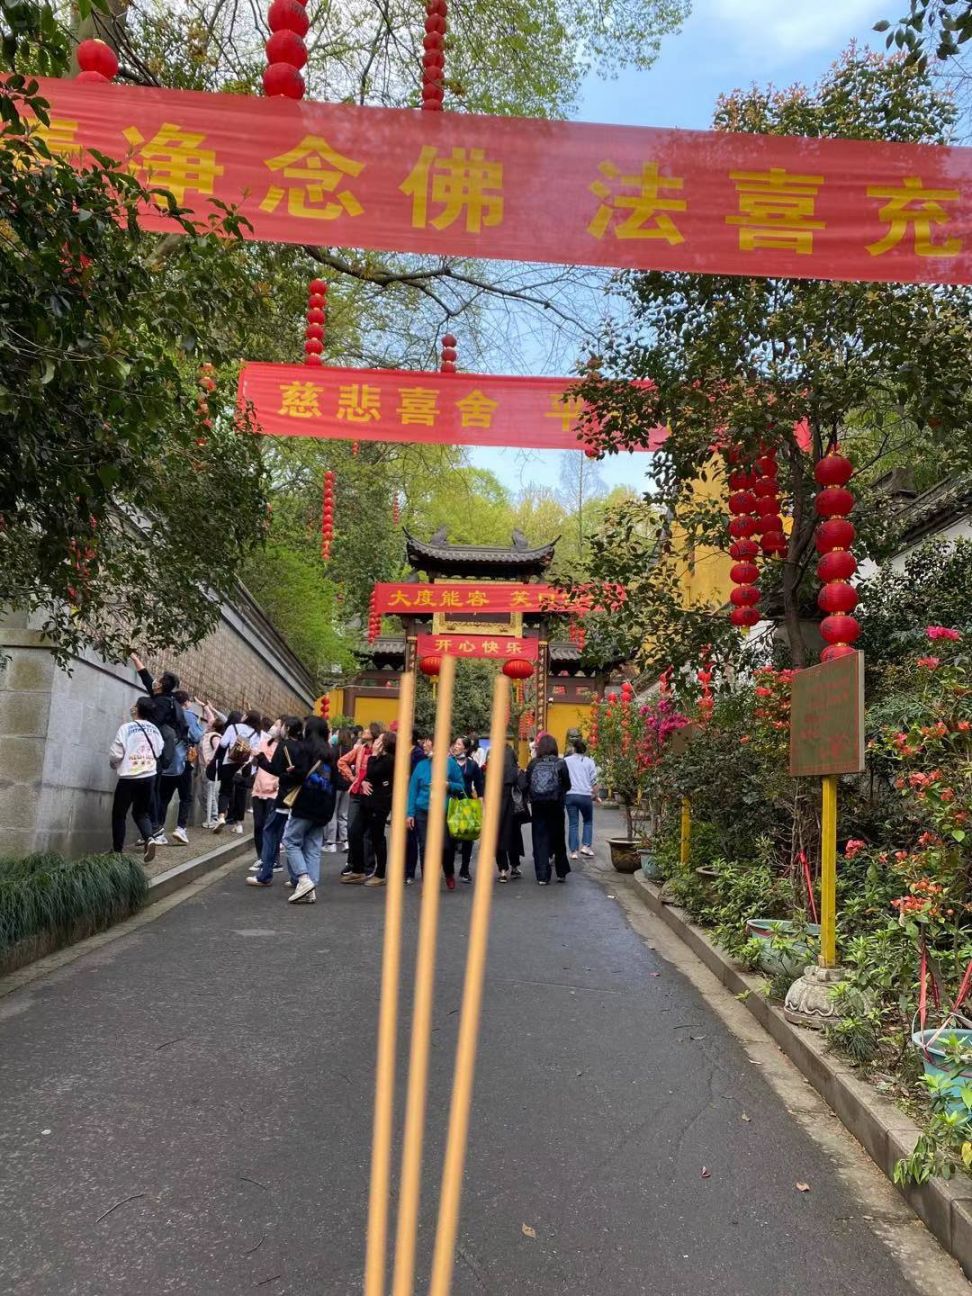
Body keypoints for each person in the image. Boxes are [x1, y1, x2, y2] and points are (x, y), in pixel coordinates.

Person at [130, 653, 188, 845]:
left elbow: (154, 724)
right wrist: (135, 658)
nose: (155, 681)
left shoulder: (163, 703)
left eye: (159, 680)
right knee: (152, 790)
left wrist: (139, 719)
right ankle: (152, 830)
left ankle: (155, 829)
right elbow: (146, 678)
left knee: (153, 790)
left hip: (158, 753)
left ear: (162, 685)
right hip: (157, 752)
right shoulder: (160, 696)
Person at [280, 716, 336, 904]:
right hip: (325, 804)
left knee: (290, 840)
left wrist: (290, 772)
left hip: (306, 803)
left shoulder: (305, 748)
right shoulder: (330, 751)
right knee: (313, 845)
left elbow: (301, 774)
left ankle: (303, 879)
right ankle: (310, 887)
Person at [247, 716, 305, 888]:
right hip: (299, 798)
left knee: (270, 832)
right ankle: (296, 877)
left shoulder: (284, 746)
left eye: (280, 725)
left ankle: (265, 874)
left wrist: (261, 757)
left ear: (286, 729)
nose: (277, 728)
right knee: (294, 838)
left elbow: (275, 770)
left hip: (284, 798)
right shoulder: (303, 746)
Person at [109, 697, 163, 863]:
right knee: (141, 812)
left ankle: (118, 851)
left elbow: (116, 752)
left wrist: (115, 764)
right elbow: (159, 750)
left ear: (137, 709)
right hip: (149, 776)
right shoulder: (154, 729)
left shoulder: (127, 727)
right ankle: (149, 838)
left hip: (129, 776)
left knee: (119, 814)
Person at [406, 739, 466, 890]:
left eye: (429, 745)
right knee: (425, 846)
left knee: (445, 847)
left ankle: (449, 872)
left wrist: (448, 785)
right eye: (426, 745)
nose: (426, 748)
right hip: (423, 811)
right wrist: (410, 813)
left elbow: (461, 787)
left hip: (443, 812)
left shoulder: (450, 765)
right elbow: (413, 790)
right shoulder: (421, 766)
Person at [153, 690, 205, 845]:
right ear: (186, 702)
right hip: (183, 763)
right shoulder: (188, 715)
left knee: (163, 798)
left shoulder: (165, 714)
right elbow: (196, 736)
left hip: (166, 762)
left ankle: (157, 831)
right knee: (186, 797)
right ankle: (181, 828)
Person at [338, 722, 382, 881]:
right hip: (356, 793)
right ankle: (354, 863)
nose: (364, 731)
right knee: (352, 829)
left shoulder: (380, 752)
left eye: (368, 729)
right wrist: (353, 778)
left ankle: (368, 866)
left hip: (371, 794)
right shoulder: (360, 749)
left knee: (368, 834)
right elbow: (341, 762)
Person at [526, 734, 571, 884]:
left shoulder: (533, 764)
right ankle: (561, 872)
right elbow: (567, 785)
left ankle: (542, 876)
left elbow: (527, 784)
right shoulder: (561, 763)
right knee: (558, 838)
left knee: (540, 839)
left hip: (538, 806)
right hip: (556, 805)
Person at [354, 732, 397, 888]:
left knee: (377, 836)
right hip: (367, 801)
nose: (376, 741)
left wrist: (372, 755)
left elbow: (373, 772)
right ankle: (357, 869)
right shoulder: (378, 758)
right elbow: (368, 776)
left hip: (379, 804)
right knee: (355, 831)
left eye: (380, 739)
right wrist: (365, 781)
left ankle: (380, 873)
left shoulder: (389, 760)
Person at [213, 709, 261, 834]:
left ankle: (221, 817)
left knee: (225, 791)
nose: (242, 716)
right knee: (241, 793)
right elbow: (255, 750)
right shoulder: (256, 733)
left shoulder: (232, 727)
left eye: (245, 714)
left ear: (247, 717)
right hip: (245, 765)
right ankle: (239, 824)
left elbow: (223, 744)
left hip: (229, 762)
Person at [445, 736, 484, 883]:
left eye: (459, 744)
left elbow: (479, 784)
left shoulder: (472, 765)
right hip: (450, 802)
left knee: (468, 836)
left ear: (466, 749)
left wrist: (481, 801)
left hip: (466, 803)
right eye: (454, 744)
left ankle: (465, 870)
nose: (455, 746)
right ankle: (449, 871)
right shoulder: (448, 762)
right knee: (450, 838)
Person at [249, 719, 282, 872]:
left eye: (278, 725)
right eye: (274, 724)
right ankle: (261, 857)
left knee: (271, 827)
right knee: (258, 825)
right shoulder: (264, 743)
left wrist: (279, 782)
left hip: (274, 791)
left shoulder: (284, 747)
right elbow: (256, 763)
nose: (274, 727)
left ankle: (274, 859)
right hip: (258, 788)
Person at [491, 739, 523, 883]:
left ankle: (503, 870)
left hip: (496, 801)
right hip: (512, 802)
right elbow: (522, 783)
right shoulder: (512, 756)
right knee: (514, 835)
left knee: (499, 835)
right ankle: (515, 866)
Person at [564, 737, 600, 861]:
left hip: (570, 795)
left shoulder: (566, 761)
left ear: (573, 748)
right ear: (584, 750)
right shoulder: (590, 762)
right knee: (588, 821)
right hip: (585, 796)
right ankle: (586, 846)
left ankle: (573, 851)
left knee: (573, 823)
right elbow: (595, 782)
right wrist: (595, 796)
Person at [323, 727, 354, 854]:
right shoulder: (352, 751)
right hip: (348, 785)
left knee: (333, 813)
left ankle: (331, 842)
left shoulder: (334, 750)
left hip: (335, 785)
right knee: (343, 814)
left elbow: (329, 768)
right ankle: (345, 841)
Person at [200, 716, 225, 829]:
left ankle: (213, 818)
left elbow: (217, 749)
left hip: (210, 769)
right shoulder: (209, 734)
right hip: (208, 768)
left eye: (211, 721)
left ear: (214, 727)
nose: (209, 721)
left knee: (210, 793)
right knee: (205, 793)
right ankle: (211, 817)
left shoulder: (214, 737)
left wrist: (211, 761)